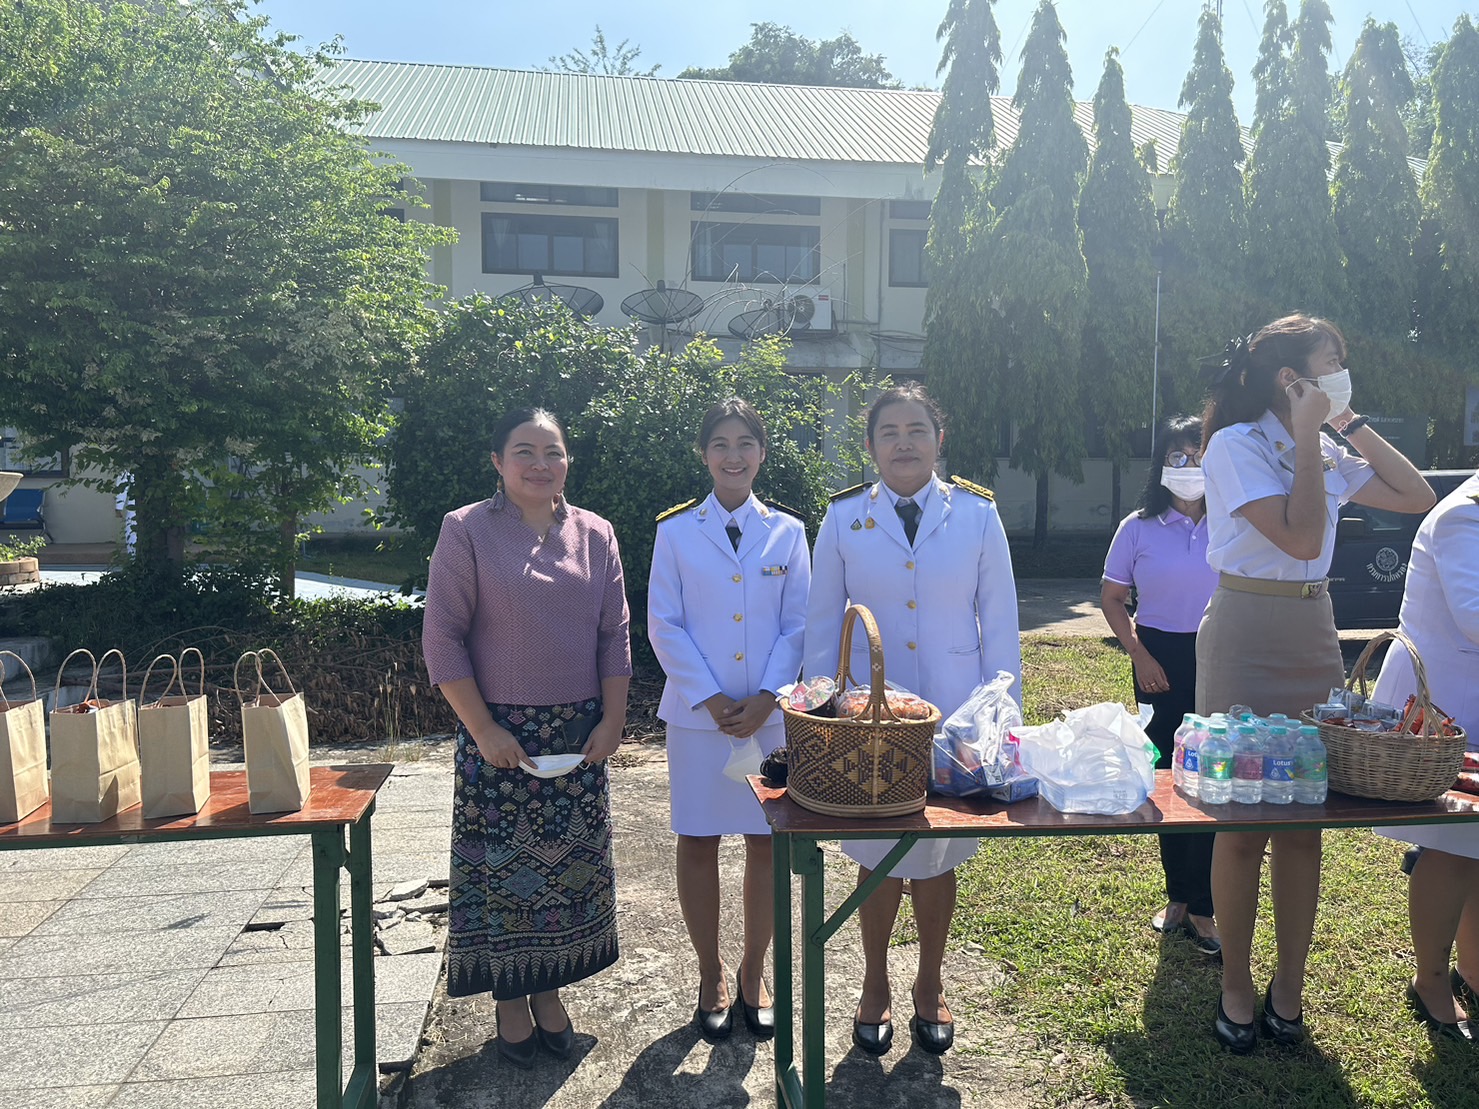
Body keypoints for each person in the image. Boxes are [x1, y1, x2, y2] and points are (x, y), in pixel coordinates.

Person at [1196, 315, 1435, 1053]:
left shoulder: (1329, 446)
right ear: (1289, 377)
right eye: (1331, 362)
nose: (1341, 373)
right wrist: (1306, 435)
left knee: (1304, 824)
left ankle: (1289, 987)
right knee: (1241, 824)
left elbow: (1415, 494)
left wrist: (1346, 423)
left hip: (1312, 630)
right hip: (1245, 630)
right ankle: (1236, 984)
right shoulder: (1234, 445)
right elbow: (1299, 536)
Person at [804, 383, 1021, 1056]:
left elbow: (1000, 621)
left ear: (938, 439)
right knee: (877, 856)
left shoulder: (977, 513)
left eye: (916, 429)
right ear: (870, 445)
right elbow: (822, 624)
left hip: (954, 716)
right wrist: (822, 711)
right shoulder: (844, 517)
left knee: (934, 853)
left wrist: (1000, 715)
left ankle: (930, 981)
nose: (903, 442)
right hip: (869, 717)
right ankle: (875, 983)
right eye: (889, 432)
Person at [422, 406, 632, 1069]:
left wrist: (613, 719)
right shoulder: (466, 529)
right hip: (500, 737)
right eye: (525, 451)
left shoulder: (595, 533)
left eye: (554, 452)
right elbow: (442, 636)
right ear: (497, 461)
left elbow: (614, 634)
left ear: (568, 460)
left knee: (567, 875)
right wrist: (482, 727)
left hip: (578, 735)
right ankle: (510, 998)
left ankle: (549, 989)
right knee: (505, 876)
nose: (541, 464)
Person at [648, 397, 811, 1043]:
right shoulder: (676, 531)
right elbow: (664, 623)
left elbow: (798, 623)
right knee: (697, 839)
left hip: (768, 722)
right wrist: (711, 698)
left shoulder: (789, 531)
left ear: (762, 453)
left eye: (745, 442)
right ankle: (710, 972)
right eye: (720, 442)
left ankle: (753, 971)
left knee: (765, 841)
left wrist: (769, 696)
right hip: (699, 721)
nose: (733, 455)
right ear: (703, 453)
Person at [1100, 416, 1221, 957]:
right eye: (1177, 456)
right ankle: (1178, 896)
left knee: (1213, 776)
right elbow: (1112, 599)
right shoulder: (1138, 527)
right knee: (1170, 777)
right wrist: (1140, 655)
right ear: (1160, 465)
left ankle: (1205, 906)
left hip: (1220, 655)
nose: (1188, 466)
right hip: (1158, 661)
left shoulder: (1235, 521)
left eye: (1198, 455)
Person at [1371, 467, 1479, 1043]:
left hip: (1465, 696)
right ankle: (1431, 981)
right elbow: (1474, 616)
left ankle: (1474, 971)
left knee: (1476, 847)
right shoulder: (1464, 515)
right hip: (1444, 704)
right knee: (1453, 844)